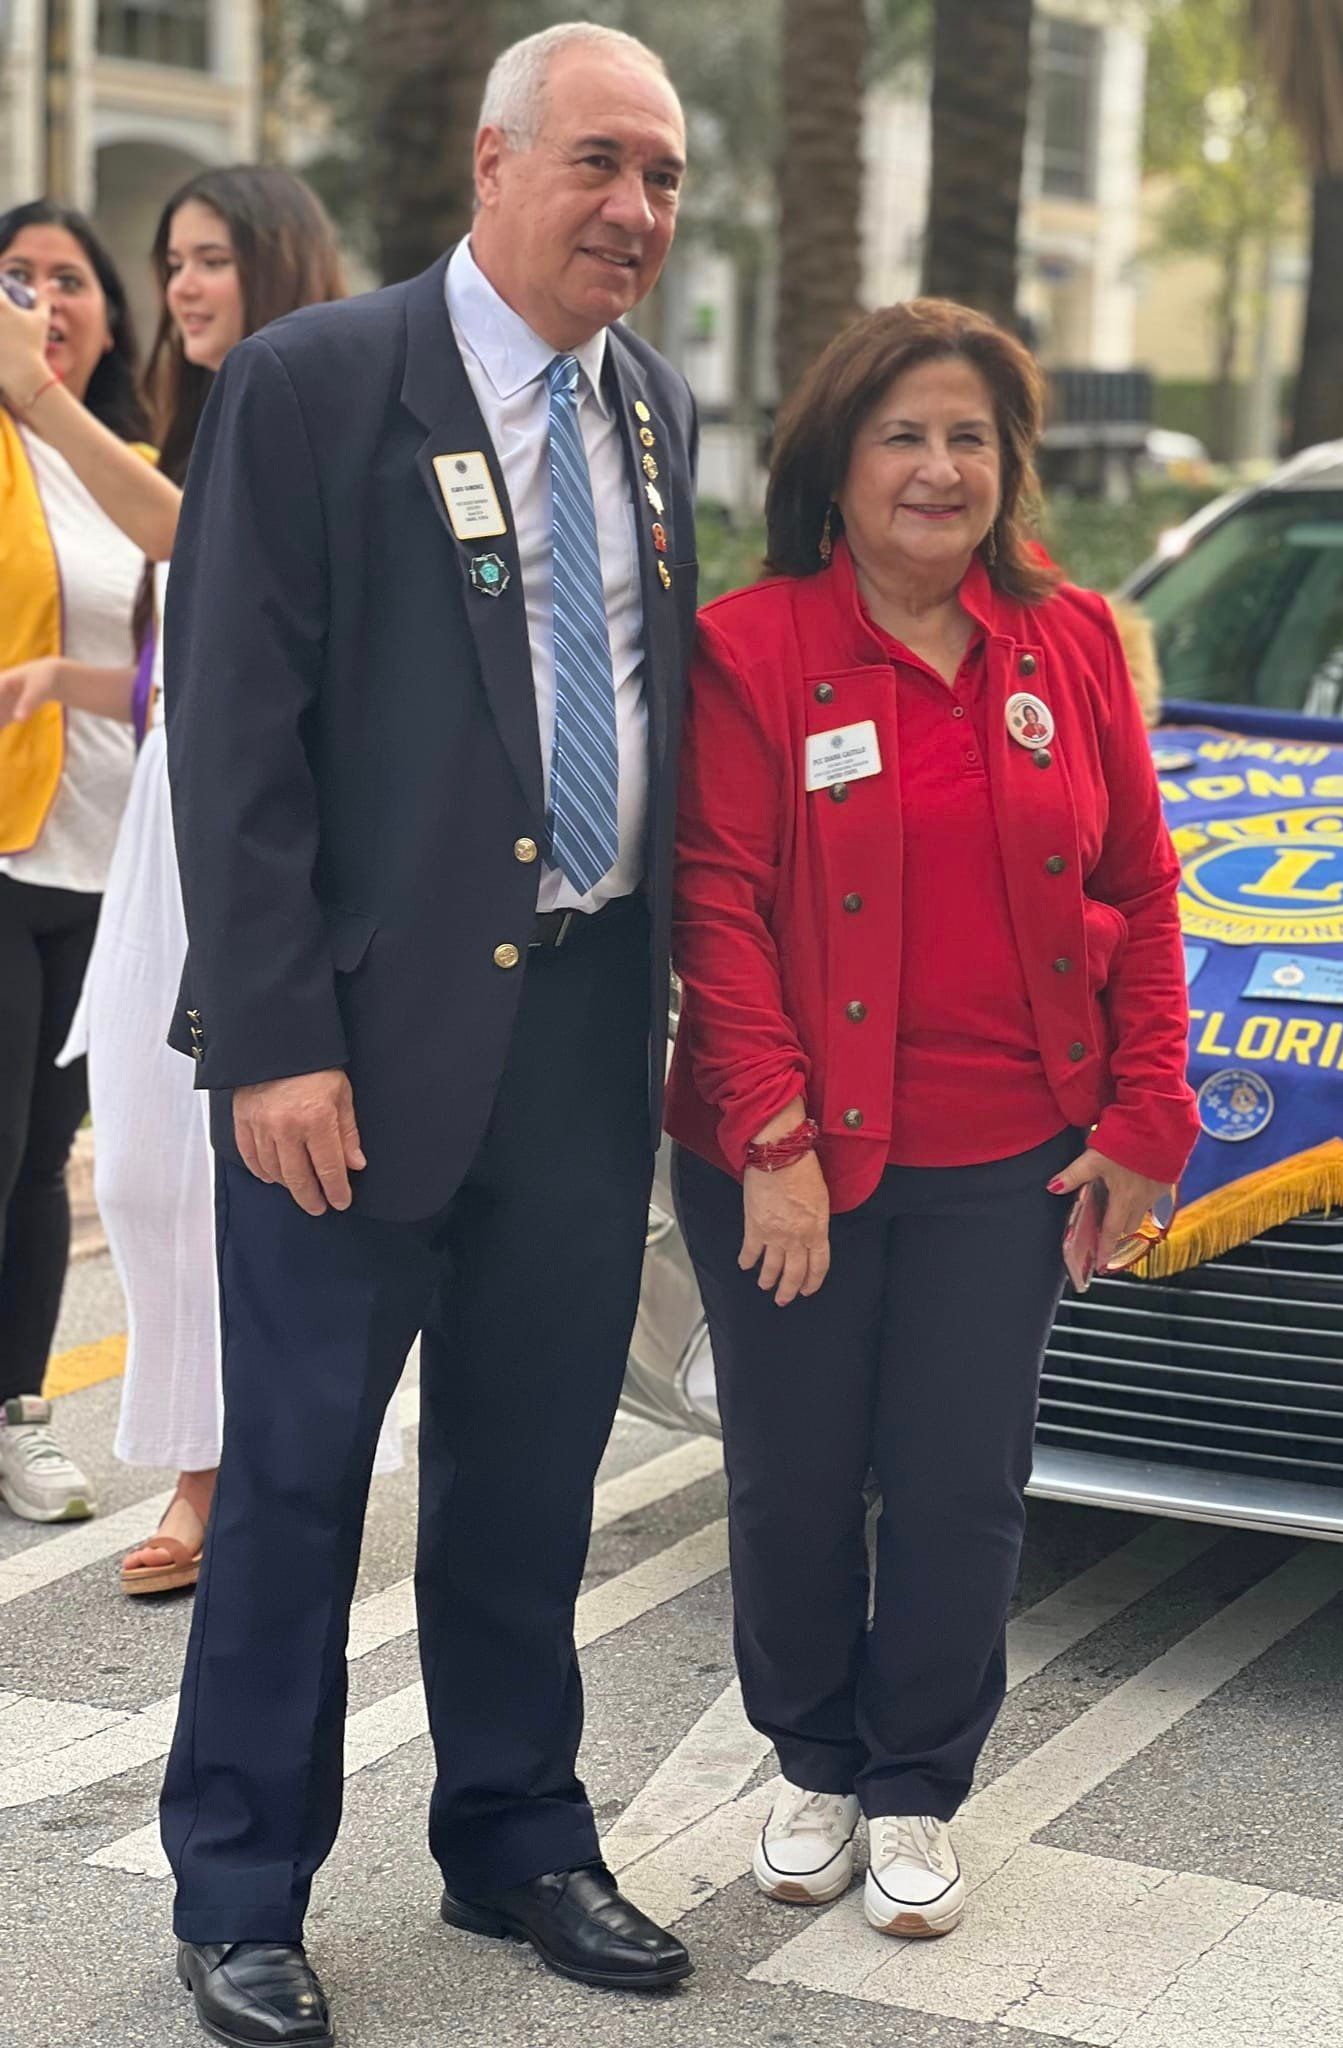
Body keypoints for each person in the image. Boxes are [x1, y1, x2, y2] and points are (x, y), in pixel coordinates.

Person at [158, 25, 698, 2044]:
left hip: (574, 1037)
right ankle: (239, 1886)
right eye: (599, 164)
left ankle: (514, 1833)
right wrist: (278, 1038)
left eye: (661, 177)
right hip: (351, 1057)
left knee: (531, 1469)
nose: (634, 210)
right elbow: (239, 739)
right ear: (491, 163)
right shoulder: (318, 386)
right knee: (297, 1473)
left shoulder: (652, 413)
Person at [666, 299, 1200, 1940]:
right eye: (904, 432)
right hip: (790, 1158)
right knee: (795, 1479)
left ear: (1008, 466)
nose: (939, 465)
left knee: (965, 1484)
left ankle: (915, 1789)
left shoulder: (1077, 642)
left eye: (970, 436)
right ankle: (814, 1761)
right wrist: (772, 1142)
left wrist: (1145, 1118)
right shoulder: (753, 645)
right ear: (835, 463)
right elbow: (719, 906)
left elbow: (1140, 887)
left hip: (1007, 1154)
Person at [3, 167, 405, 1598]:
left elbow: (192, 540)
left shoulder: (311, 410)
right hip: (162, 830)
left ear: (281, 264)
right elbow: (186, 675)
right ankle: (201, 1460)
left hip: (256, 832)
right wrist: (67, 676)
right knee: (154, 1173)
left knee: (235, 1163)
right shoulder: (207, 410)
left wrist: (38, 398)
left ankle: (232, 1478)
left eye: (212, 259)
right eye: (171, 260)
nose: (182, 288)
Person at [0, 202, 176, 1525]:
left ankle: (18, 1412)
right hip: (6, 848)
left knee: (50, 1162)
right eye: (17, 278)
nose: (45, 300)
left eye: (70, 278)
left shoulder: (135, 459)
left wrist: (71, 677)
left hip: (114, 864)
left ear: (110, 312)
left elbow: (180, 659)